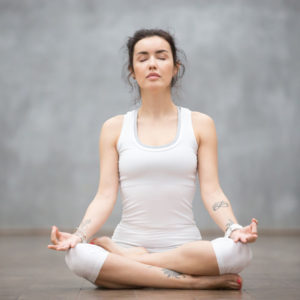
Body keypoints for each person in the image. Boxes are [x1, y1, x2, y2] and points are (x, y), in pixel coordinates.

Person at [48, 28, 258, 290]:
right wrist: (78, 236)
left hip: (185, 248)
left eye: (161, 56)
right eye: (143, 58)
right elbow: (104, 196)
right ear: (132, 71)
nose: (152, 64)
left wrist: (233, 229)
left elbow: (212, 191)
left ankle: (131, 265)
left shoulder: (200, 124)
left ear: (175, 67)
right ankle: (191, 283)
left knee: (239, 251)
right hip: (128, 240)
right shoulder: (114, 128)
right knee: (77, 256)